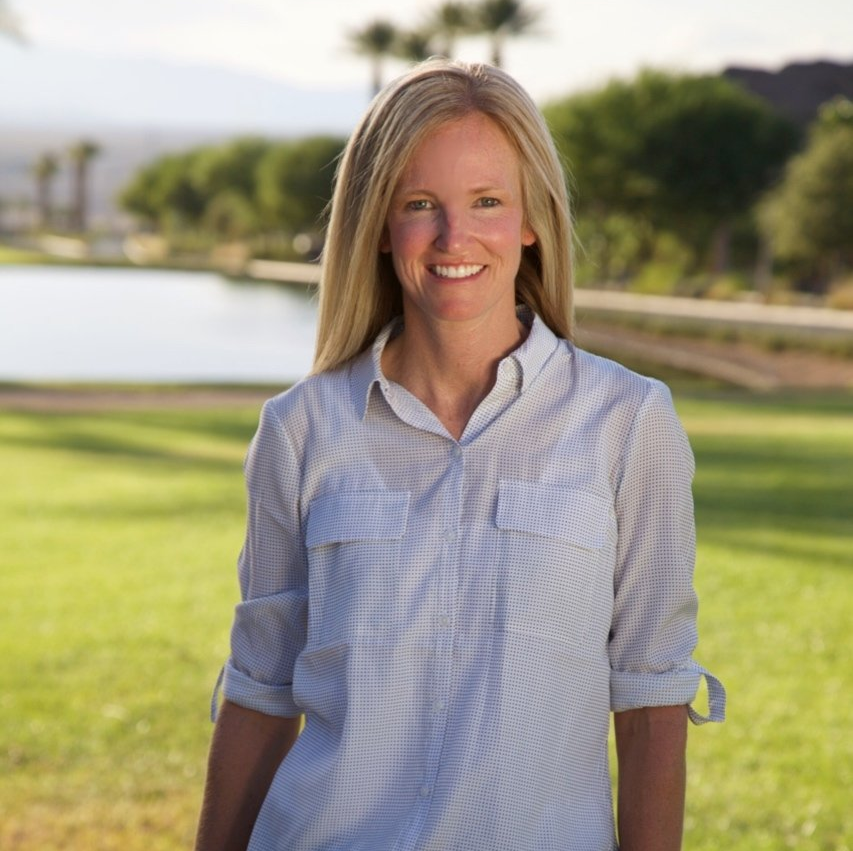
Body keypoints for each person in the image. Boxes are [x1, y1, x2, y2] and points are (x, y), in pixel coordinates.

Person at [195, 58, 725, 851]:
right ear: (378, 223)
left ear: (529, 220)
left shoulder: (627, 421)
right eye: (419, 205)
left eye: (486, 202)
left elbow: (650, 702)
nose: (454, 237)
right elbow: (261, 693)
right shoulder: (300, 429)